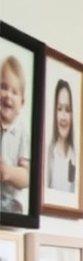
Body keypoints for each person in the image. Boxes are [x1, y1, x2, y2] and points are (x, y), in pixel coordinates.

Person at [0, 53, 30, 215]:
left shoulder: (22, 130)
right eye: (3, 87)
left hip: (12, 202)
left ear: (21, 103)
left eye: (14, 92)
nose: (7, 95)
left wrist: (10, 173)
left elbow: (26, 177)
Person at [46, 78, 77, 195]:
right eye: (59, 109)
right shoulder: (48, 154)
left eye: (68, 110)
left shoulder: (75, 156)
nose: (63, 117)